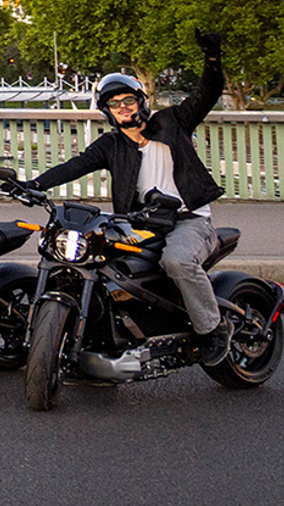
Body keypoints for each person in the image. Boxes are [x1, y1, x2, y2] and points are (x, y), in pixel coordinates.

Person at [22, 31, 233, 365]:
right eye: (114, 104)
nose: (122, 108)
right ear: (108, 111)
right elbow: (75, 165)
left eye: (128, 101)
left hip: (189, 220)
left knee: (176, 261)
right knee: (92, 255)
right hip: (140, 222)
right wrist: (32, 183)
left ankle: (212, 328)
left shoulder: (173, 121)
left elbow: (208, 93)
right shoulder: (111, 145)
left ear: (140, 102)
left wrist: (212, 57)